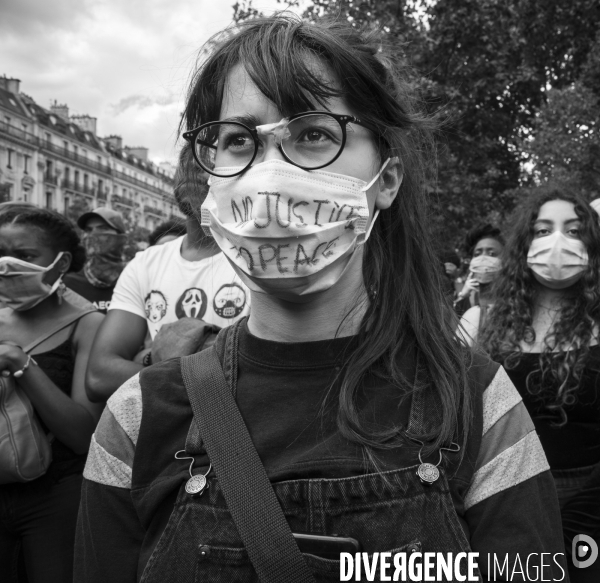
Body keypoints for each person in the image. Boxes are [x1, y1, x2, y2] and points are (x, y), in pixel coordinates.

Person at [75, 16, 567, 582]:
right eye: (237, 141)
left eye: (312, 133)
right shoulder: (138, 416)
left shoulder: (479, 402)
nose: (269, 176)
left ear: (386, 179)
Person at [463, 184, 600, 582]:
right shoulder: (478, 324)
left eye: (574, 230)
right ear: (523, 244)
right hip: (497, 500)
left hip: (591, 502)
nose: (558, 241)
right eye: (543, 230)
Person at [85, 144, 250, 402]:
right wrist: (208, 371)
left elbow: (264, 379)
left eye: (214, 161)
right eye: (188, 160)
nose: (195, 166)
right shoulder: (145, 264)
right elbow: (99, 376)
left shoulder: (261, 261)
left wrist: (151, 361)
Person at [0, 208, 104, 583]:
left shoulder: (88, 323)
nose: (6, 266)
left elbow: (82, 436)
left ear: (60, 264)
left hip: (57, 495)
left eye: (25, 256)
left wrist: (20, 363)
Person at [63, 207, 127, 313]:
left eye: (103, 228)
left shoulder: (135, 279)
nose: (93, 234)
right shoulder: (68, 283)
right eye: (88, 230)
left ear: (121, 237)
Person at [454, 223, 504, 318]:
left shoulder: (515, 300)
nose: (483, 258)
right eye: (477, 254)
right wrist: (462, 297)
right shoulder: (465, 299)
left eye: (492, 254)